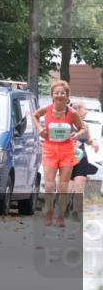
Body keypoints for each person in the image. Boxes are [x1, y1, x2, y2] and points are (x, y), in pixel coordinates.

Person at [33, 80, 85, 228]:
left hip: (67, 150)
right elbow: (35, 116)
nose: (60, 95)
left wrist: (77, 135)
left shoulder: (72, 112)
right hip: (50, 149)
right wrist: (39, 129)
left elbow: (81, 128)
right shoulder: (46, 109)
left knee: (63, 185)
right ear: (52, 95)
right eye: (57, 92)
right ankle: (49, 212)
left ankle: (61, 215)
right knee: (49, 186)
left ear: (67, 96)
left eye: (63, 93)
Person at [67, 102, 99, 222]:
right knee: (68, 187)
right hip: (68, 158)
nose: (86, 111)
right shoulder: (67, 124)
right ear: (77, 110)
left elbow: (89, 139)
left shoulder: (85, 125)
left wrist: (94, 142)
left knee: (80, 185)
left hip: (81, 158)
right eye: (85, 109)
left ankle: (76, 212)